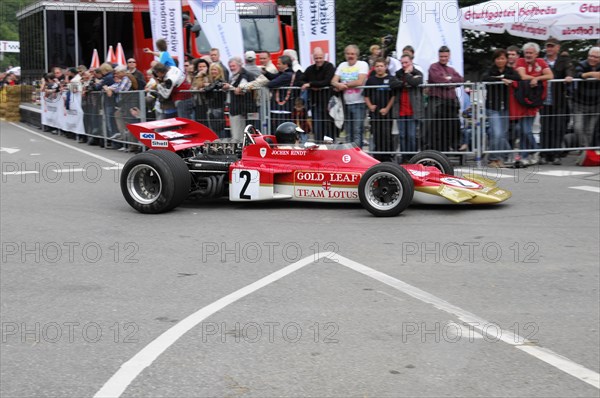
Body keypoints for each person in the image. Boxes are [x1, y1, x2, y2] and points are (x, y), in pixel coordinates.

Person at [511, 42, 553, 166]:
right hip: (521, 100)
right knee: (524, 129)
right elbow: (522, 76)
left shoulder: (540, 61)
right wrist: (536, 77)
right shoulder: (520, 61)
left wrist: (537, 79)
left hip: (534, 100)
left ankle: (525, 155)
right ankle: (534, 150)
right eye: (526, 53)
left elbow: (550, 75)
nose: (528, 55)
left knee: (525, 129)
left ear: (536, 54)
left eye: (531, 53)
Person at [482, 49, 521, 168]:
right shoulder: (490, 70)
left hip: (505, 107)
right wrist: (501, 79)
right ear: (494, 60)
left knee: (503, 134)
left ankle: (500, 158)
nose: (500, 60)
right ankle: (493, 158)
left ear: (506, 59)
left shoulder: (509, 70)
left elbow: (517, 77)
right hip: (493, 107)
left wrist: (504, 77)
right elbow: (485, 78)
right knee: (497, 133)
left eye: (503, 58)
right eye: (498, 58)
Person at [539, 37, 573, 165]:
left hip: (559, 101)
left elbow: (570, 69)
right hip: (544, 100)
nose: (549, 48)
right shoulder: (541, 61)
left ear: (558, 48)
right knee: (545, 128)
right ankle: (544, 154)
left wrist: (569, 76)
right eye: (548, 46)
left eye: (552, 46)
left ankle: (556, 154)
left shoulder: (564, 60)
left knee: (558, 128)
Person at [427, 45, 464, 151]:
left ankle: (454, 146)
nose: (443, 58)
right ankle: (439, 150)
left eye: (445, 56)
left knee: (453, 126)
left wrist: (448, 79)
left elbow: (460, 80)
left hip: (451, 103)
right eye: (441, 56)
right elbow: (438, 79)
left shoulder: (451, 69)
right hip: (438, 102)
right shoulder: (433, 67)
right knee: (438, 128)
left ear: (449, 56)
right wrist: (451, 81)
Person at [331, 44, 369, 148]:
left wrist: (344, 85)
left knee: (357, 130)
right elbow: (333, 80)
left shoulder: (362, 64)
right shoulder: (342, 65)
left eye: (352, 54)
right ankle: (348, 154)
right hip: (345, 103)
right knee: (348, 131)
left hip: (359, 102)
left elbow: (360, 81)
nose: (350, 56)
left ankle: (358, 155)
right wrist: (338, 84)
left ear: (357, 55)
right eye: (348, 54)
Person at [390, 54, 424, 159]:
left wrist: (407, 75)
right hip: (400, 110)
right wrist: (405, 83)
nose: (404, 65)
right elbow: (392, 84)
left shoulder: (417, 73)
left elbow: (416, 82)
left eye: (406, 63)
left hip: (412, 111)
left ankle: (412, 158)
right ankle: (404, 158)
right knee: (402, 136)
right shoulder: (398, 73)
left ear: (411, 62)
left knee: (412, 136)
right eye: (402, 63)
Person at [300, 47, 336, 141]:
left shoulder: (329, 66)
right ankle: (318, 145)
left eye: (320, 58)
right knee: (317, 128)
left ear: (324, 57)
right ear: (313, 58)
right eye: (316, 58)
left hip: (328, 103)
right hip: (315, 103)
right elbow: (300, 80)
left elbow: (326, 81)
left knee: (329, 127)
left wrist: (310, 84)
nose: (318, 60)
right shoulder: (310, 69)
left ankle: (330, 149)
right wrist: (311, 86)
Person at [364, 58, 395, 161]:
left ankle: (388, 157)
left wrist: (387, 108)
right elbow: (366, 95)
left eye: (381, 66)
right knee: (377, 136)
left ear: (385, 67)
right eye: (377, 66)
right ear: (374, 68)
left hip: (387, 114)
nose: (379, 68)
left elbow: (393, 96)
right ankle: (378, 158)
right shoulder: (370, 80)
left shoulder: (391, 79)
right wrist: (370, 106)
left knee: (387, 135)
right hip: (375, 115)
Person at [572, 47, 600, 150]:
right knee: (578, 128)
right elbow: (578, 74)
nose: (592, 58)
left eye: (596, 57)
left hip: (596, 104)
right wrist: (592, 74)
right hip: (579, 103)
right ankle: (584, 148)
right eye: (591, 56)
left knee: (590, 130)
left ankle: (586, 152)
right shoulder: (582, 64)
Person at [222, 56, 255, 141]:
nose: (231, 68)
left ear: (240, 65)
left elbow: (241, 90)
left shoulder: (245, 75)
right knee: (237, 133)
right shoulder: (234, 76)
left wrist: (229, 87)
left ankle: (240, 150)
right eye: (230, 66)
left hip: (241, 109)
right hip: (235, 108)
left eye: (233, 66)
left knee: (238, 135)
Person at [266, 55, 299, 132]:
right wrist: (265, 72)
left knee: (280, 130)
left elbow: (271, 84)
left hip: (281, 109)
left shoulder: (286, 75)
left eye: (279, 64)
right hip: (283, 108)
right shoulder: (286, 74)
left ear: (285, 65)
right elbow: (274, 77)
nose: (277, 66)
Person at [203, 63, 227, 138]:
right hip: (211, 108)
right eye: (212, 70)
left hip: (218, 108)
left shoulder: (220, 81)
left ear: (219, 71)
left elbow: (207, 89)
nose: (213, 71)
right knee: (213, 130)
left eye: (215, 70)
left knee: (219, 129)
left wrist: (207, 87)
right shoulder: (212, 81)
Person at [191, 58, 211, 126]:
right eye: (200, 67)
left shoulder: (209, 76)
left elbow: (202, 85)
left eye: (204, 66)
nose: (202, 68)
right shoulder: (195, 76)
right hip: (198, 102)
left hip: (208, 102)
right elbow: (194, 87)